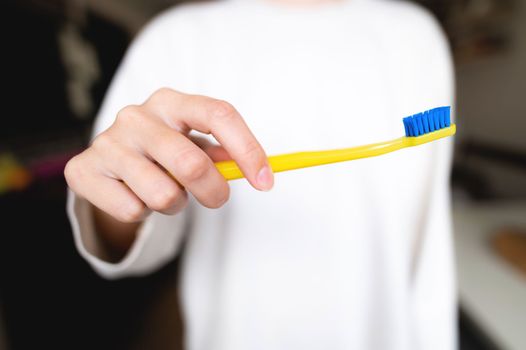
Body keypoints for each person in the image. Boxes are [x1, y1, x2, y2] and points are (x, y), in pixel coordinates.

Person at [65, 0, 456, 349]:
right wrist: (119, 189)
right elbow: (134, 240)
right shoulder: (173, 38)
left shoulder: (414, 35)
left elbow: (429, 248)